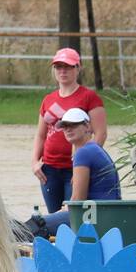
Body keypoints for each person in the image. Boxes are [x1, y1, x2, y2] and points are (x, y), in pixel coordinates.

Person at [21, 108, 121, 240]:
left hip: (93, 216)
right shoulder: (95, 148)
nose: (67, 129)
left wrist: (62, 210)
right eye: (64, 126)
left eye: (73, 125)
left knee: (34, 226)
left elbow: (78, 201)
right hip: (107, 215)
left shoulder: (83, 153)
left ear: (87, 126)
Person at [32, 48, 107, 214]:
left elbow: (100, 133)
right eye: (58, 67)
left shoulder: (89, 97)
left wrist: (84, 163)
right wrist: (34, 162)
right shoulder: (48, 100)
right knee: (54, 216)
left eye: (68, 66)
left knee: (72, 214)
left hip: (74, 167)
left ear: (77, 68)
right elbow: (40, 135)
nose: (62, 71)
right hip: (49, 169)